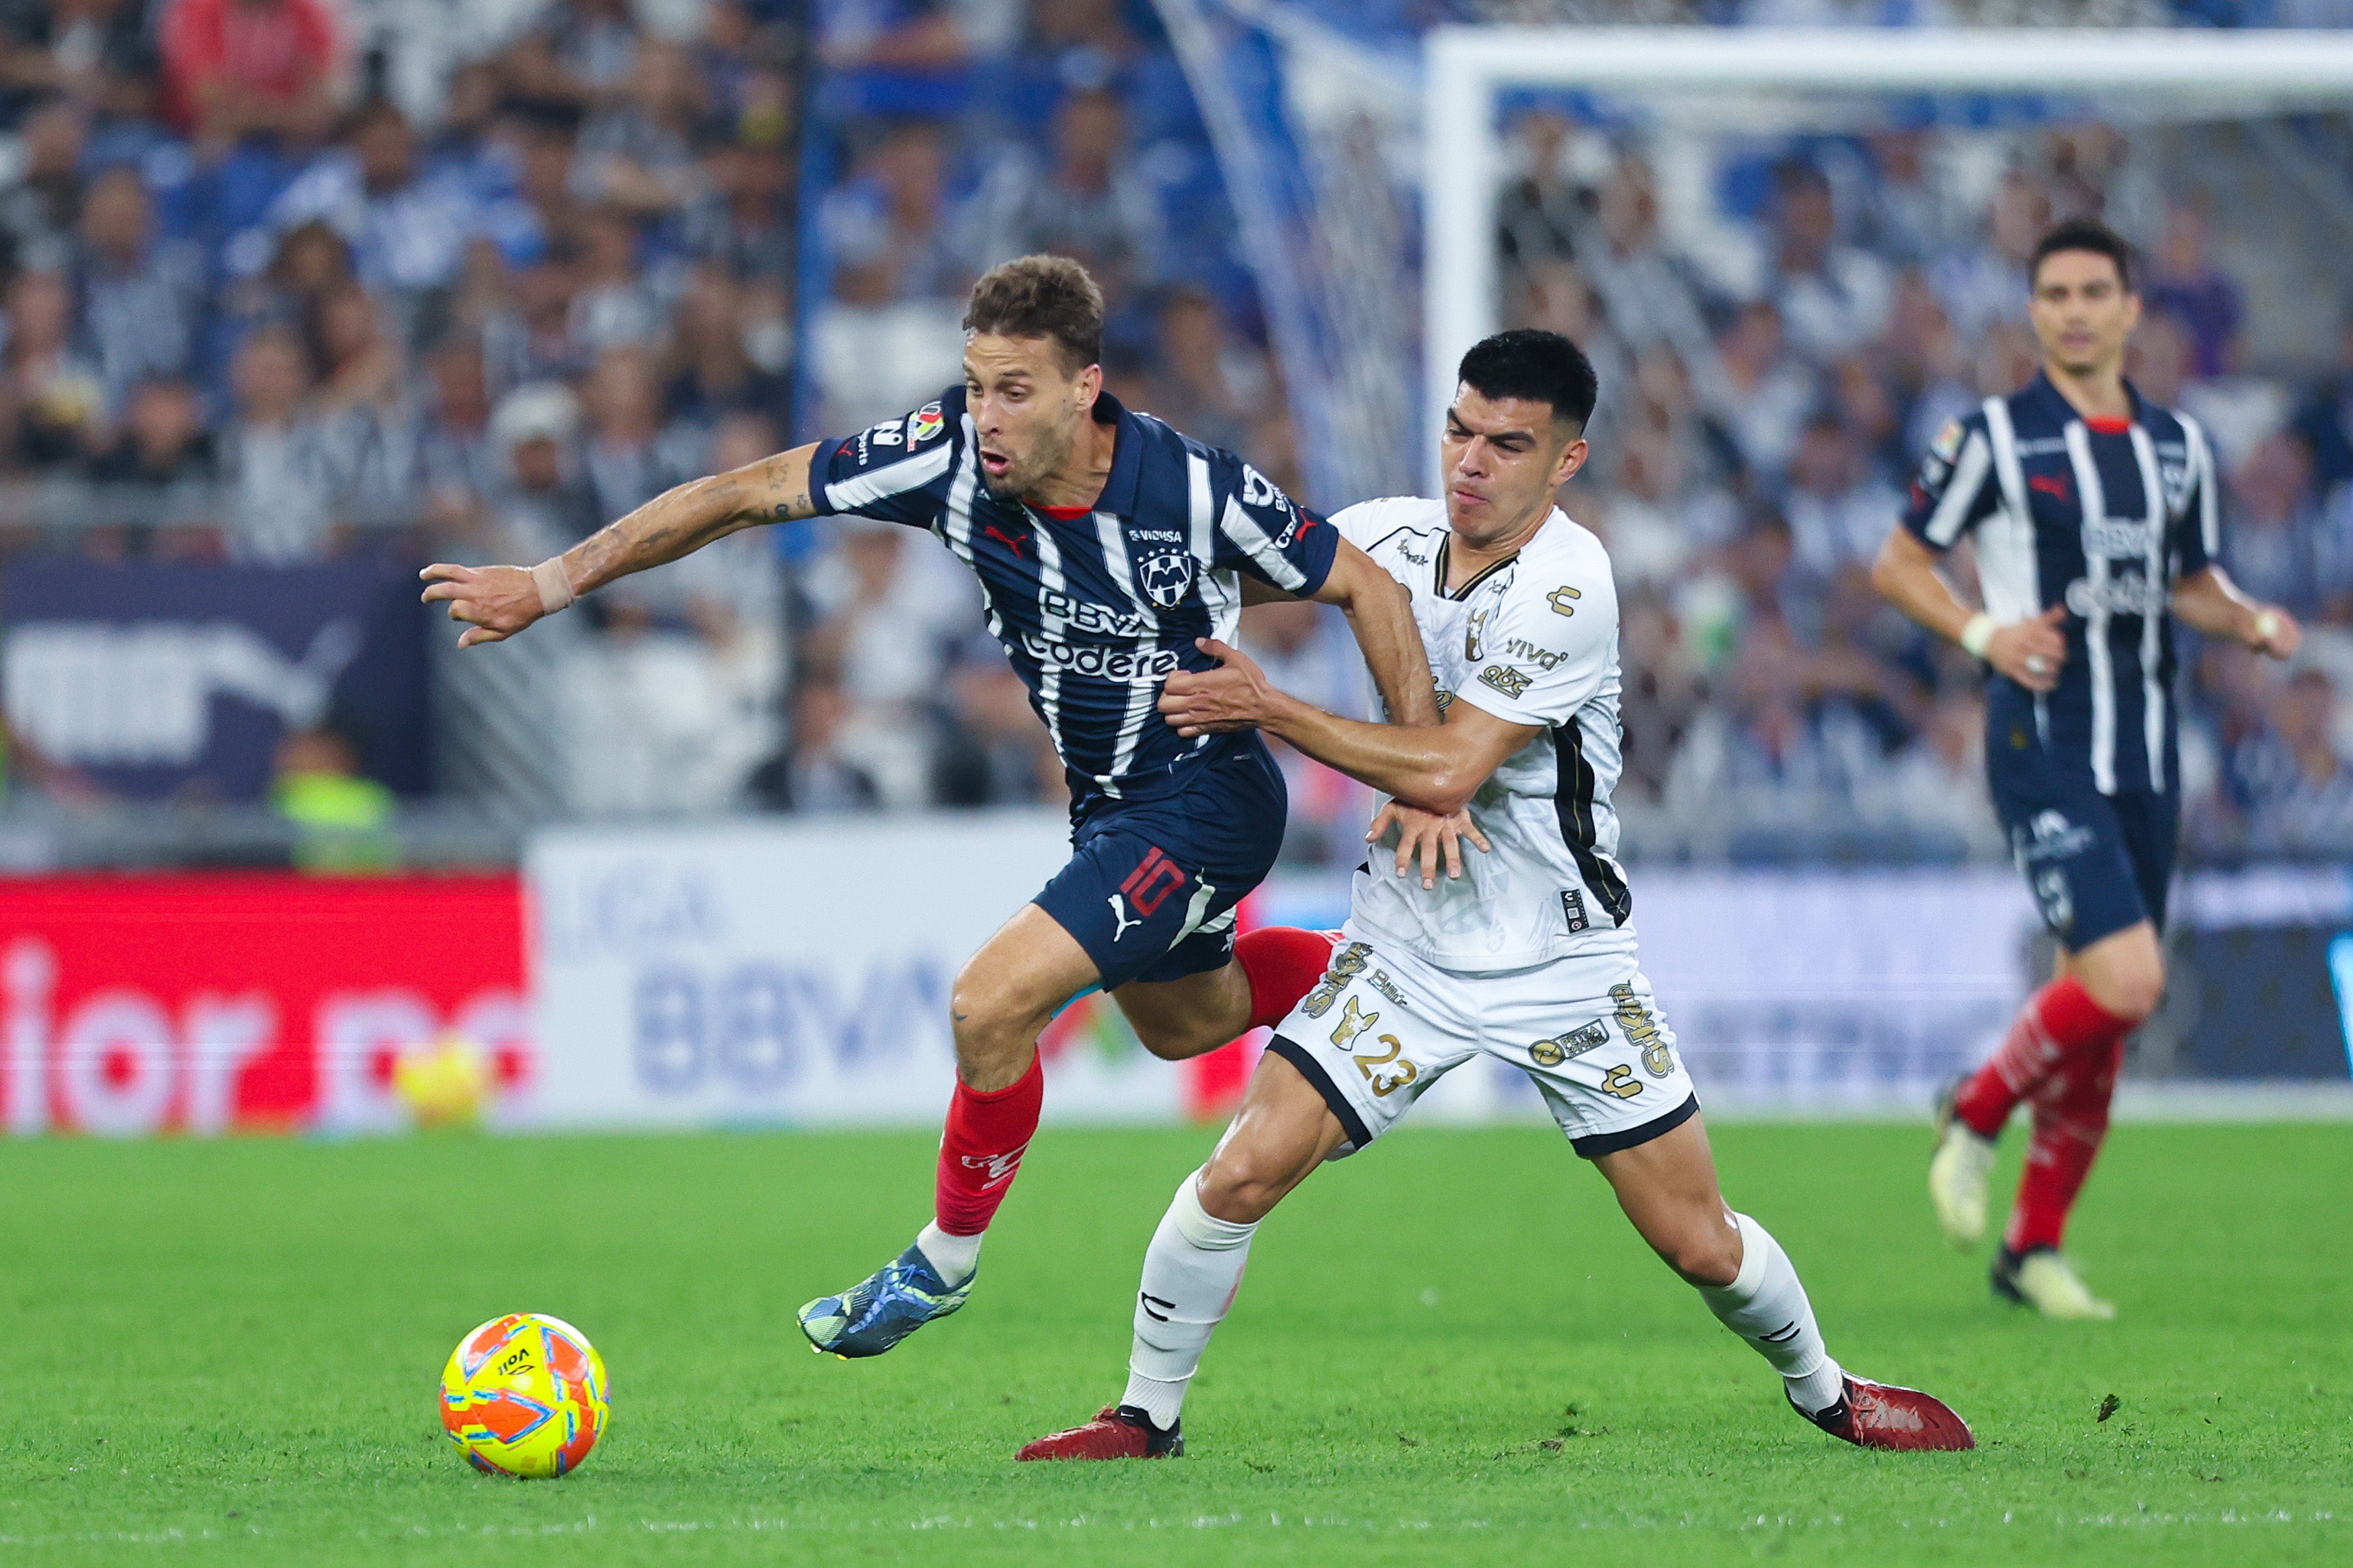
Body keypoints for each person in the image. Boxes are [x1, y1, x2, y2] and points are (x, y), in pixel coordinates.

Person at [420, 254, 1438, 1358]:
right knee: (1186, 1024)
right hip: (1111, 808)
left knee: (988, 1005)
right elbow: (744, 492)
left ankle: (942, 1260)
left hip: (1205, 796)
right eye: (976, 384)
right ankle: (1396, 976)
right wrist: (550, 582)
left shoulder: (1192, 487)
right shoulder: (947, 458)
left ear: (1085, 388)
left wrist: (1426, 773)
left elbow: (1366, 583)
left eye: (1015, 390)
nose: (986, 416)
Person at [1019, 330, 1974, 1462]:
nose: (1470, 462)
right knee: (1241, 1170)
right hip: (1405, 948)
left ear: (1566, 460)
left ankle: (1828, 1390)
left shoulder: (1571, 584)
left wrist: (1270, 708)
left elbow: (1450, 768)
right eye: (1459, 431)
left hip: (1562, 959)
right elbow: (1218, 579)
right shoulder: (1386, 534)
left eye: (1507, 444)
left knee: (1698, 1241)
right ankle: (1144, 1417)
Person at [1870, 219, 2301, 1319]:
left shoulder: (2178, 447)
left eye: (2094, 292)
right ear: (2034, 312)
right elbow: (1899, 563)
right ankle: (1973, 1110)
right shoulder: (1992, 438)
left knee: (2104, 1006)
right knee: (2129, 980)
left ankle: (2033, 1248)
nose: (2074, 311)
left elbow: (2191, 583)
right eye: (2055, 293)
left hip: (2147, 754)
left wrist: (2249, 620)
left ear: (2130, 309)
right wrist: (1983, 633)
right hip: (2042, 741)